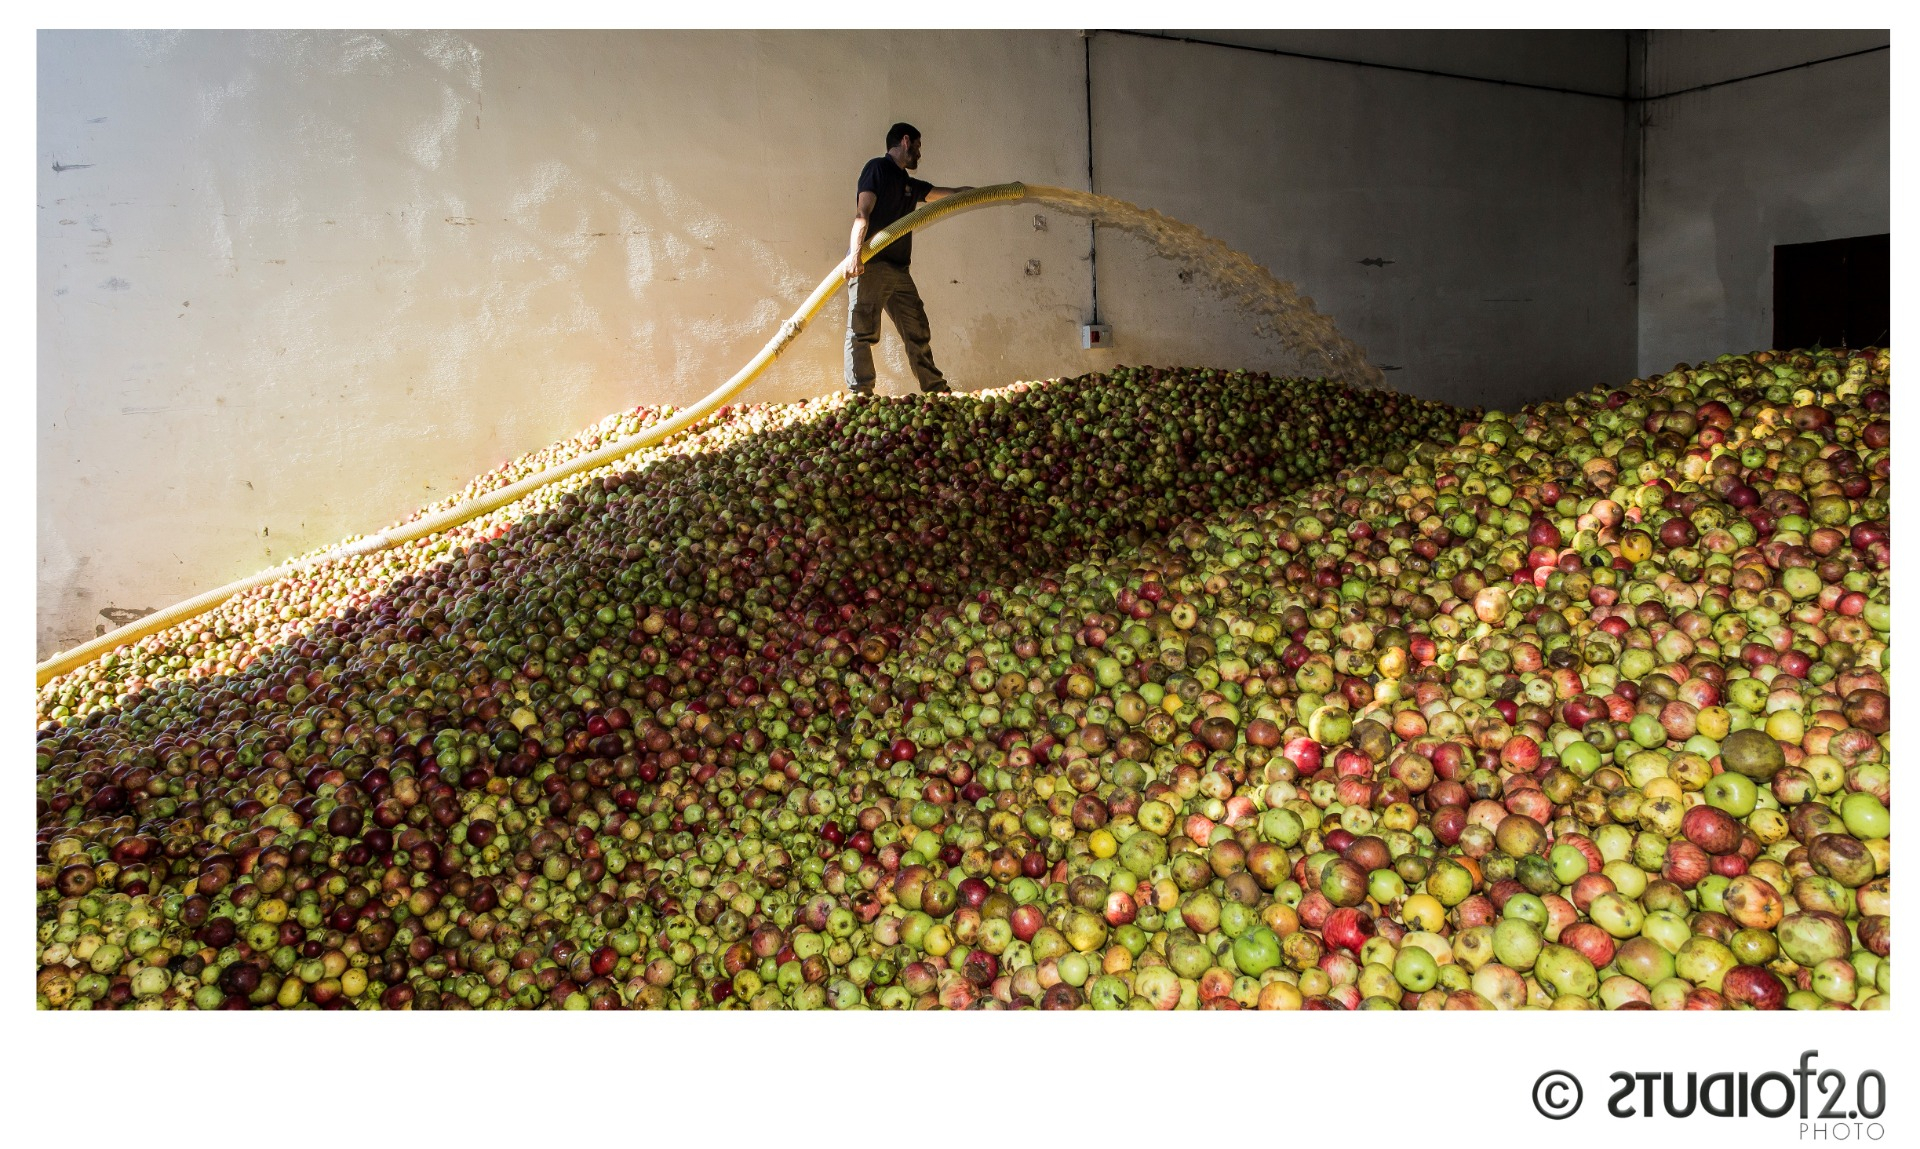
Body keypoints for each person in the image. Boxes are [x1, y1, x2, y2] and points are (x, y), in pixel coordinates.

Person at [843, 123, 973, 395]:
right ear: (905, 141)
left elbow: (948, 194)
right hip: (872, 264)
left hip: (899, 270)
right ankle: (861, 397)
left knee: (917, 329)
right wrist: (855, 255)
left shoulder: (910, 185)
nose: (919, 154)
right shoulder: (876, 169)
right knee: (862, 332)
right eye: (918, 146)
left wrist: (992, 190)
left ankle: (936, 390)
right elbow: (862, 213)